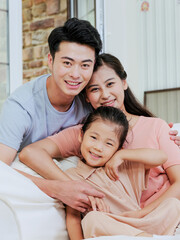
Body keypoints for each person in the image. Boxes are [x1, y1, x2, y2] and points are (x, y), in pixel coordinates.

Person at [19, 53, 180, 217]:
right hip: (118, 222)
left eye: (110, 84)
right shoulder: (86, 133)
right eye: (94, 89)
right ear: (86, 97)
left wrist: (143, 215)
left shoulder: (156, 126)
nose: (104, 94)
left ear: (124, 83)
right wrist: (72, 186)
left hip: (164, 214)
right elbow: (30, 153)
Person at [20, 106, 180, 239]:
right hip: (110, 228)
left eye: (109, 143)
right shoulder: (71, 178)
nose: (98, 147)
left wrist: (122, 155)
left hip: (139, 221)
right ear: (81, 136)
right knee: (92, 220)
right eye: (94, 138)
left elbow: (161, 156)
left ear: (118, 148)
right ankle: (144, 237)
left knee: (173, 204)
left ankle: (146, 236)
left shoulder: (124, 166)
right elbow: (73, 217)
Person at [0, 17, 106, 212]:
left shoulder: (90, 99)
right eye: (67, 63)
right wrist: (57, 189)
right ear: (50, 60)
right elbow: (1, 170)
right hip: (32, 179)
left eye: (85, 65)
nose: (76, 74)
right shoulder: (21, 106)